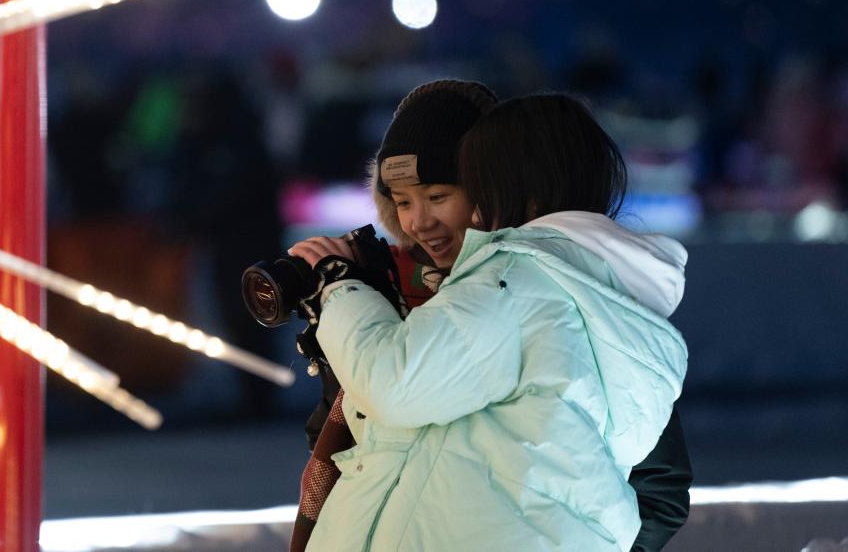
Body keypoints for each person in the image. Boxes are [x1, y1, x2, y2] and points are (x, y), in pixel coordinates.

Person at [289, 89, 689, 551]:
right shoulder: (402, 294)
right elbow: (362, 457)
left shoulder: (527, 288)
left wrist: (340, 291)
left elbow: (657, 490)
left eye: (440, 195)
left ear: (502, 187)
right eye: (402, 202)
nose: (420, 222)